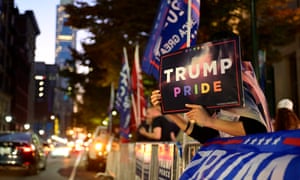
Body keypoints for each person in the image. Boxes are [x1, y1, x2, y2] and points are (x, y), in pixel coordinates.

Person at [151, 61, 273, 144]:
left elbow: (257, 130)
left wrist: (209, 121)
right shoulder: (220, 92)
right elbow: (207, 136)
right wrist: (168, 110)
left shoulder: (236, 85)